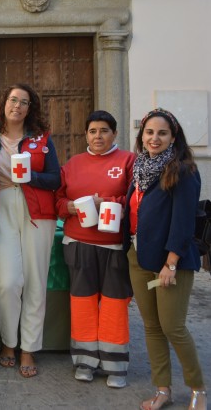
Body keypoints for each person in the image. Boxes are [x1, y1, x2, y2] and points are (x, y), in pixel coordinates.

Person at [122, 108, 206, 410]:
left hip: (170, 263)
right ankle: (163, 389)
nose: (154, 138)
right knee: (152, 327)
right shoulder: (140, 168)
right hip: (139, 258)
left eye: (162, 133)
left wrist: (170, 262)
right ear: (141, 135)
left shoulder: (182, 170)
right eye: (149, 132)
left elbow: (183, 222)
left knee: (173, 327)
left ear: (173, 137)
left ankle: (197, 389)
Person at [0, 83, 60, 378]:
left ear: (30, 108)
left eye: (24, 102)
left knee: (36, 281)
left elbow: (55, 178)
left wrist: (31, 176)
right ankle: (8, 342)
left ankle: (28, 348)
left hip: (38, 211)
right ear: (4, 102)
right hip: (0, 208)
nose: (17, 106)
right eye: (13, 99)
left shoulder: (42, 139)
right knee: (8, 282)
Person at [54, 110, 135, 388]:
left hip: (114, 246)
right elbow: (58, 199)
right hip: (78, 243)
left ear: (114, 133)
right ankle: (85, 361)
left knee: (114, 305)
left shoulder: (128, 161)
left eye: (103, 130)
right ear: (85, 135)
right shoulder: (73, 164)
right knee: (82, 304)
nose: (97, 136)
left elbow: (135, 196)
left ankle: (115, 365)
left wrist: (109, 202)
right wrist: (70, 207)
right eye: (92, 131)